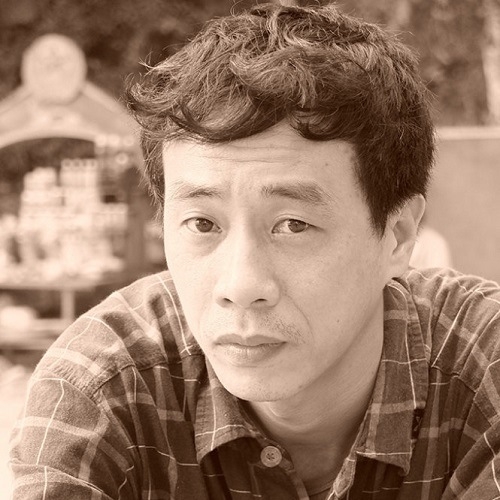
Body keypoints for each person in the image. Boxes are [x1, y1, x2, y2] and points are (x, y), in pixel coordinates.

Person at [9, 4, 500, 499]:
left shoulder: (484, 369)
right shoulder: (102, 387)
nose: (240, 286)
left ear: (397, 236)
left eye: (293, 225)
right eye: (203, 223)